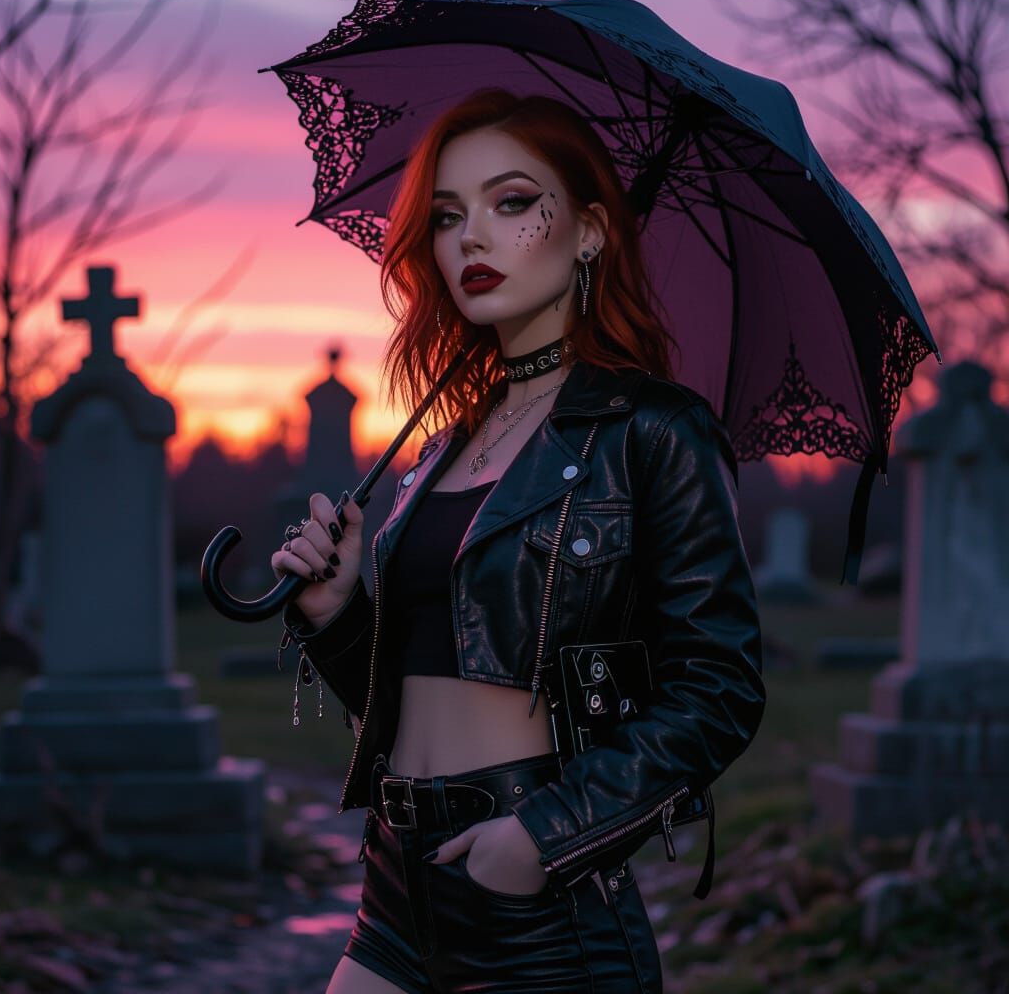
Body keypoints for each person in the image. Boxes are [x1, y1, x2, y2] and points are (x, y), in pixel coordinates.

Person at [271, 88, 766, 994]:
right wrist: (338, 611)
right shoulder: (445, 444)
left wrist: (546, 835)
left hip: (535, 902)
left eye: (511, 203)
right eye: (449, 215)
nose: (470, 238)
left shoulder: (653, 432)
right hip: (394, 885)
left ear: (588, 231)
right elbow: (407, 691)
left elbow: (720, 686)